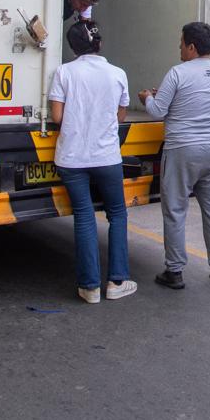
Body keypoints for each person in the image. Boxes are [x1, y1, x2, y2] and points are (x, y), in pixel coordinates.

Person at [48, 21, 135, 304]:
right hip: (107, 156)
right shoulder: (117, 74)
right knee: (117, 214)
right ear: (100, 43)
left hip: (71, 158)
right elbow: (120, 116)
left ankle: (90, 288)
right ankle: (117, 281)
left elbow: (58, 117)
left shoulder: (64, 72)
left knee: (84, 217)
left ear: (73, 47)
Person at [140, 21, 210, 290]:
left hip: (181, 149)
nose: (179, 47)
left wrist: (146, 97)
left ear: (191, 47)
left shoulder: (177, 73)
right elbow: (200, 100)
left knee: (176, 209)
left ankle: (175, 270)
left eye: (181, 43)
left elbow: (158, 111)